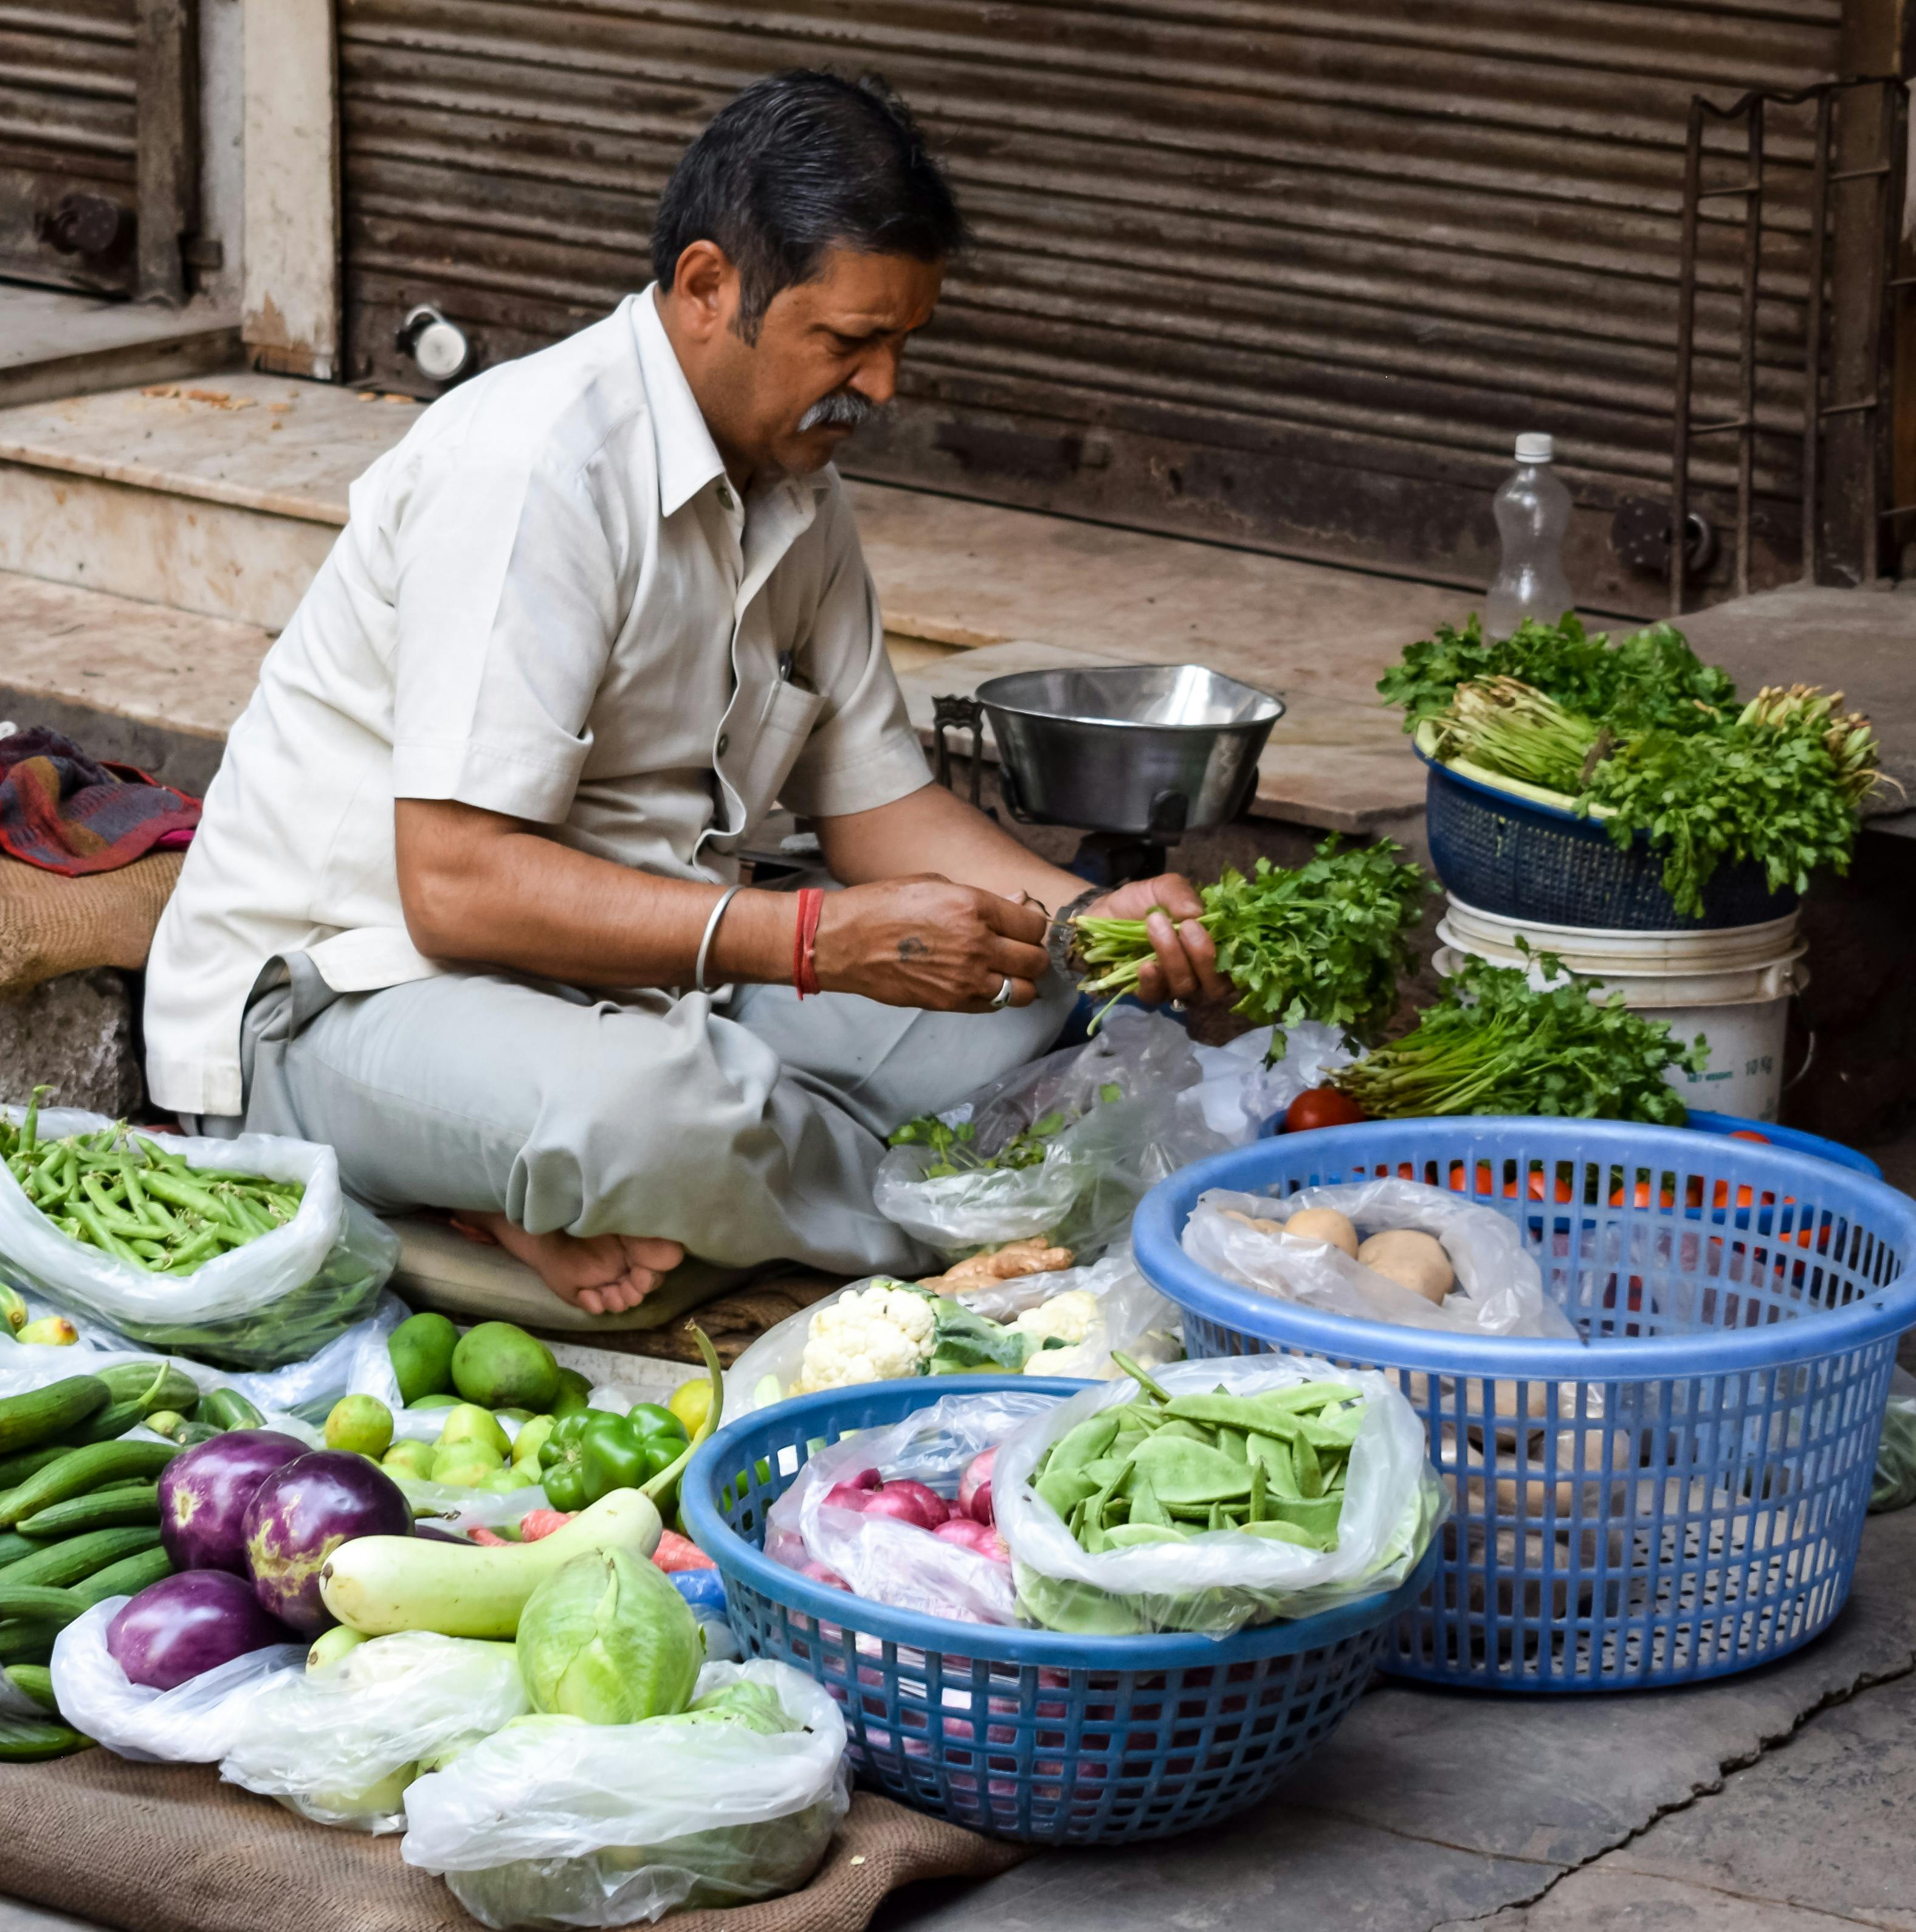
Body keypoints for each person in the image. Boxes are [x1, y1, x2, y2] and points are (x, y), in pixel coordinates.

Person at [144, 70, 1224, 1317]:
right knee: (653, 1116)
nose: (881, 387)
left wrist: (1093, 919)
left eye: (899, 345)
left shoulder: (797, 490)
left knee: (1023, 1000)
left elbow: (878, 807)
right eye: (847, 342)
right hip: (342, 999)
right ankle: (701, 1181)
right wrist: (815, 945)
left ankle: (614, 1189)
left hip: (644, 973)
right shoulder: (534, 466)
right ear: (709, 287)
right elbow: (452, 886)